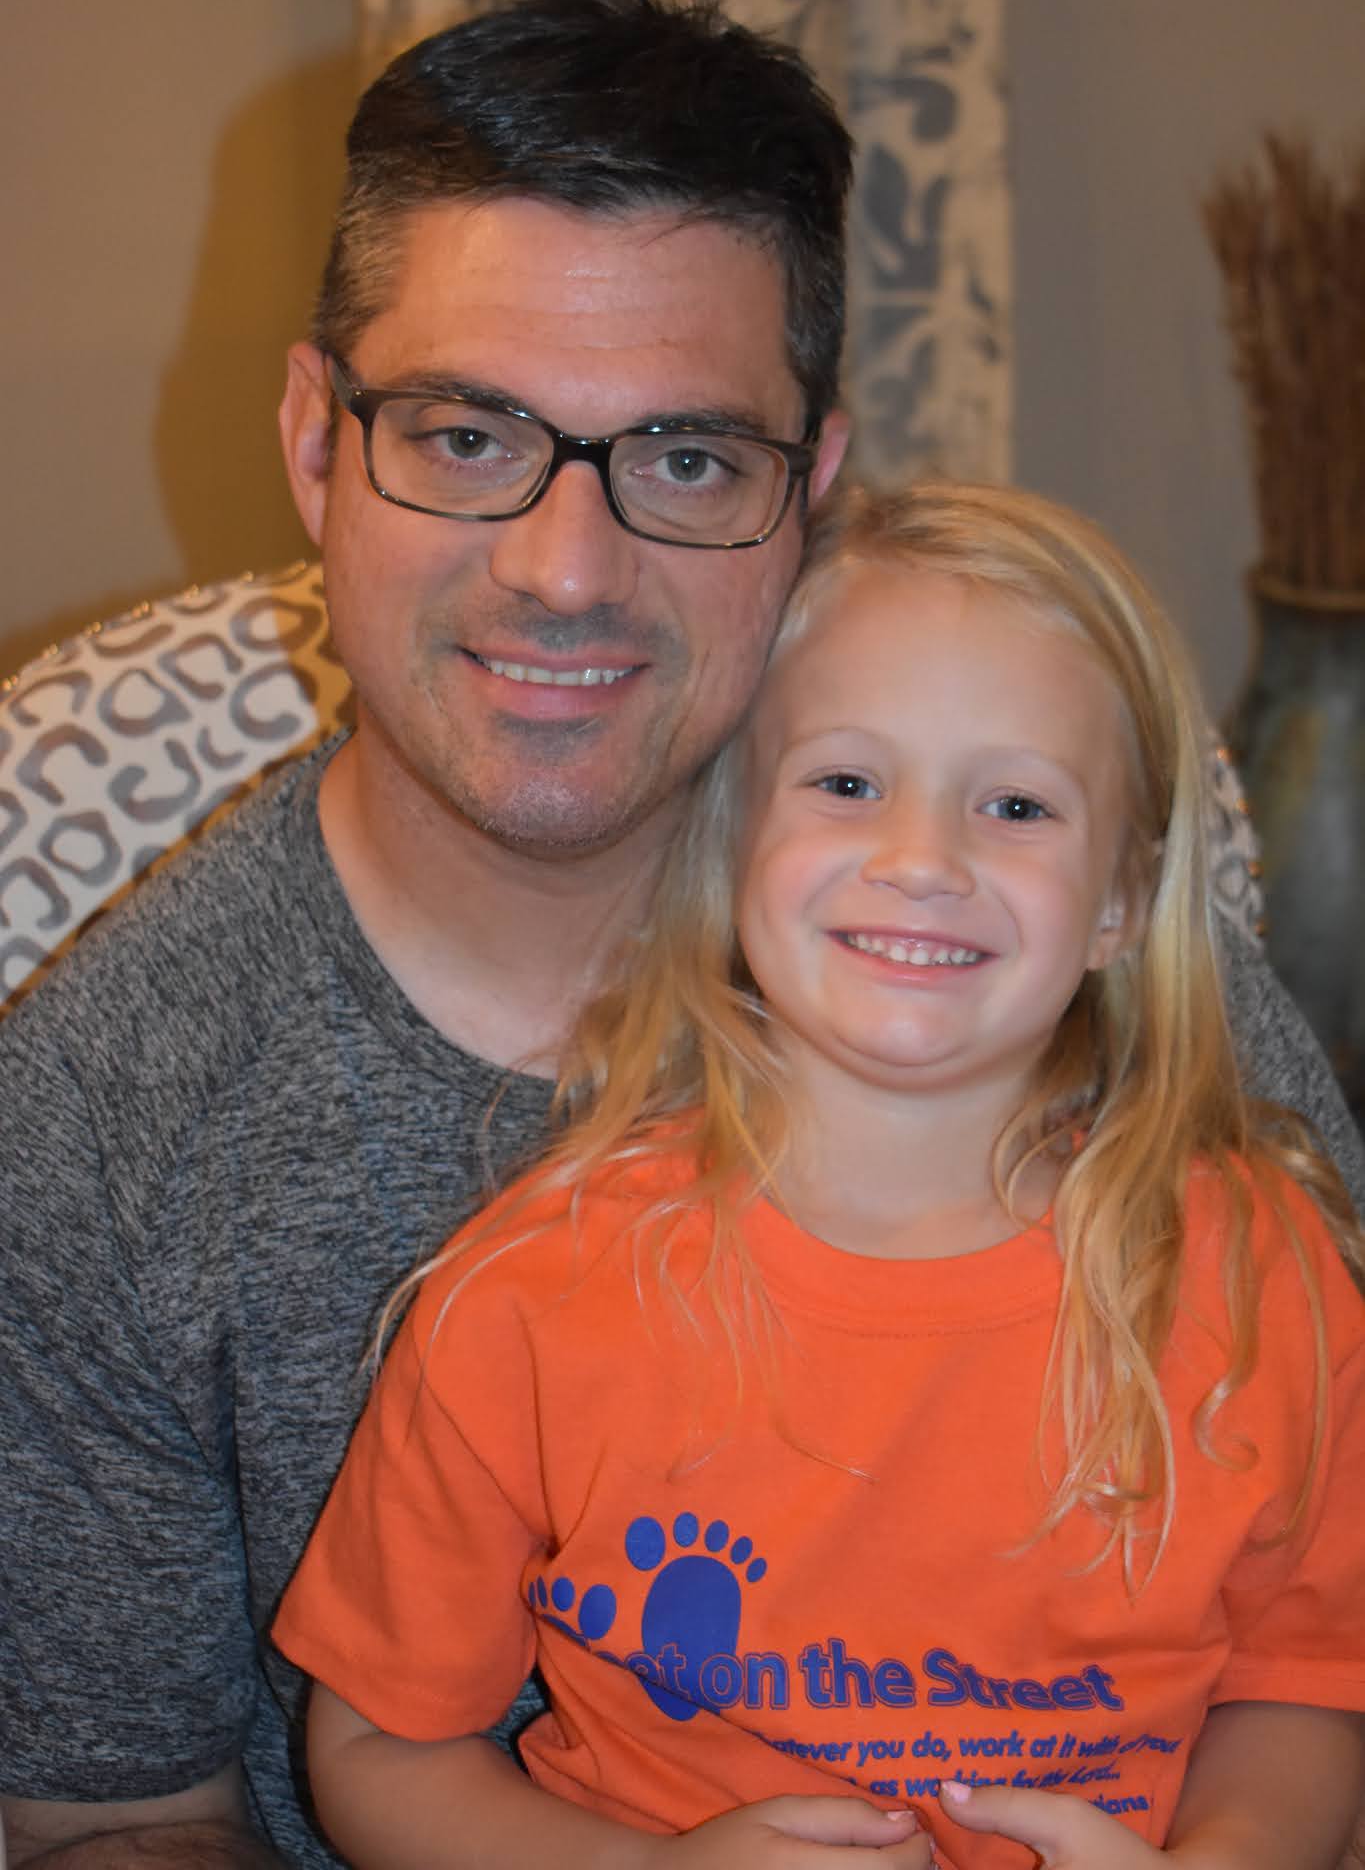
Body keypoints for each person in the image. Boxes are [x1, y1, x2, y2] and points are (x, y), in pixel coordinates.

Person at [0, 0, 1358, 1870]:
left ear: (813, 492)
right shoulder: (98, 1126)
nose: (565, 569)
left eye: (687, 459)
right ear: (315, 440)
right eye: (464, 436)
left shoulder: (1090, 1006)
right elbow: (116, 1829)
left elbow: (1310, 1654)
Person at [274, 480, 1365, 1870]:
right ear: (732, 834)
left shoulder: (1256, 1278)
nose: (921, 860)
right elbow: (378, 1749)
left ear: (1120, 900)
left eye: (1016, 804)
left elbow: (1305, 1681)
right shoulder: (530, 1297)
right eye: (847, 784)